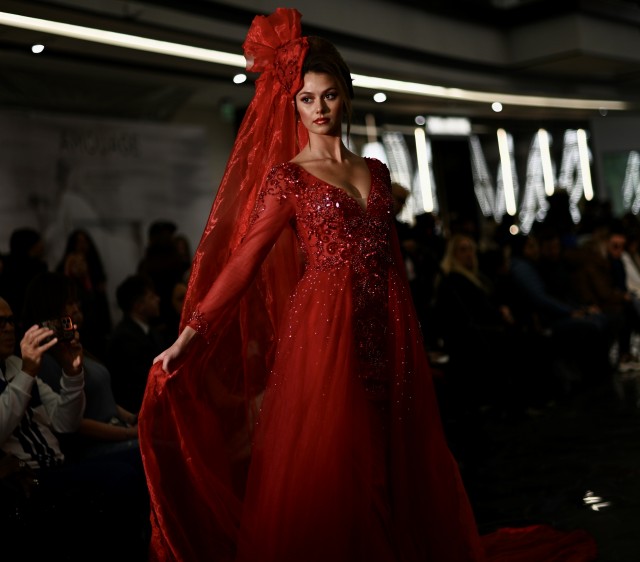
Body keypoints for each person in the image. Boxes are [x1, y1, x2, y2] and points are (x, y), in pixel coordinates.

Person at [139, 8, 597, 562]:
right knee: (339, 454)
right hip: (325, 330)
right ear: (293, 105)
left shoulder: (376, 171)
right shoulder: (288, 178)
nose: (318, 109)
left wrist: (410, 331)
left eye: (328, 96)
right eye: (306, 99)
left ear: (346, 96)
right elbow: (243, 263)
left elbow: (391, 260)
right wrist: (190, 337)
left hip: (389, 319)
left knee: (389, 447)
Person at [0, 295, 147, 561]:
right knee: (121, 476)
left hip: (59, 465)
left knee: (146, 456)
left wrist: (72, 372)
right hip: (30, 478)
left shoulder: (15, 365)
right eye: (1, 323)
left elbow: (65, 422)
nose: (9, 328)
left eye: (11, 321)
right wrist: (28, 373)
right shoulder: (24, 368)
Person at [105, 274, 166, 412]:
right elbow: (138, 382)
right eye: (151, 297)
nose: (157, 299)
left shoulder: (150, 330)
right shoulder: (124, 338)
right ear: (138, 305)